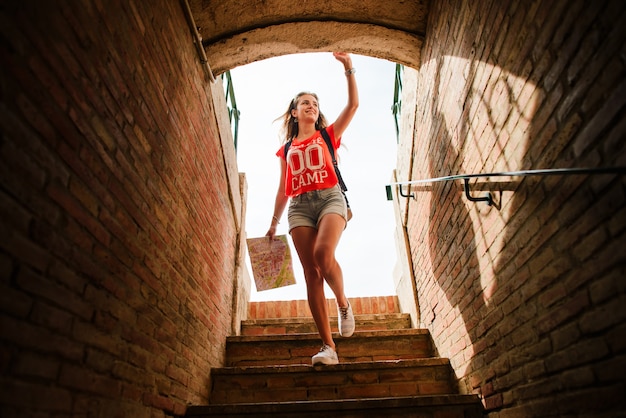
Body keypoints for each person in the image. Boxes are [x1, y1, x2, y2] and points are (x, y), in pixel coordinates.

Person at [266, 52, 359, 366]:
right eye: (305, 103)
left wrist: (348, 68)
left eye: (315, 104)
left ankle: (344, 304)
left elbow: (353, 106)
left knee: (323, 255)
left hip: (330, 198)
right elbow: (283, 188)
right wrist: (273, 223)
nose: (311, 106)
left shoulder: (327, 135)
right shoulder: (287, 148)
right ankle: (328, 347)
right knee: (311, 275)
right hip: (299, 207)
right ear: (294, 112)